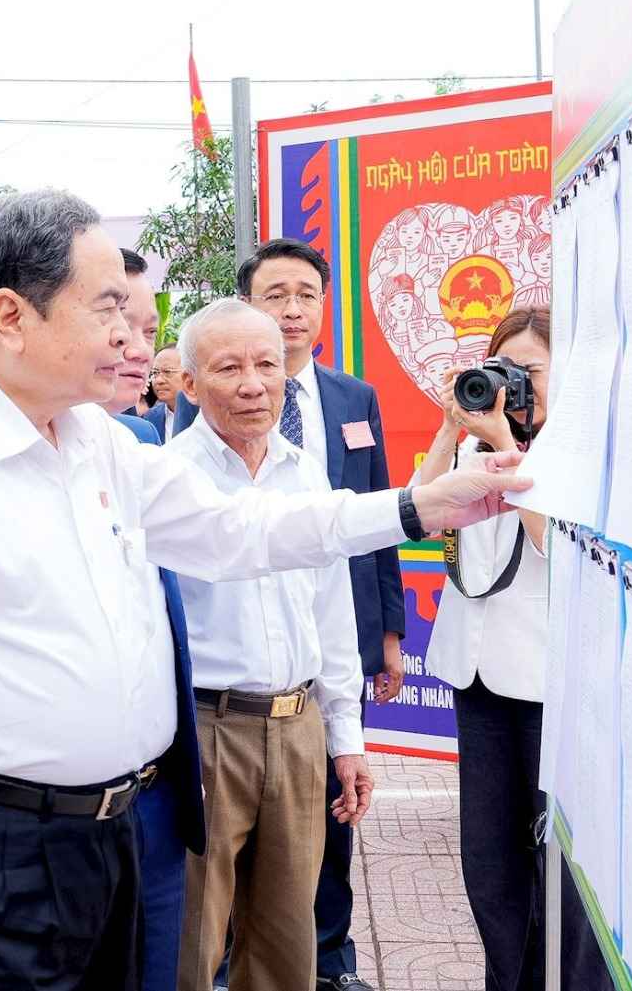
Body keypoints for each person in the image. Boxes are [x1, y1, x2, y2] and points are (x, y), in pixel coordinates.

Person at [0, 189, 530, 991]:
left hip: (113, 843)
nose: (127, 333)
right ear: (12, 315)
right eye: (106, 306)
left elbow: (246, 530)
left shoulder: (100, 443)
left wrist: (421, 505)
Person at [165, 299, 372, 991]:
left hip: (298, 725)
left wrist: (347, 736)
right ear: (190, 384)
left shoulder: (304, 472)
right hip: (205, 728)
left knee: (288, 946)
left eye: (268, 364)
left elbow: (331, 608)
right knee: (192, 939)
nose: (254, 383)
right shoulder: (169, 478)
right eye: (230, 367)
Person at [415, 307, 604, 991]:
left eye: (527, 372)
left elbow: (556, 544)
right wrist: (451, 428)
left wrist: (511, 446)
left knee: (558, 859)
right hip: (477, 678)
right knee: (488, 857)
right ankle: (507, 978)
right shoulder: (473, 447)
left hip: (547, 684)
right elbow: (415, 509)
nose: (511, 387)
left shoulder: (582, 447)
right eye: (499, 370)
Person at [233, 238, 404, 991]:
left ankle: (332, 956)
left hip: (341, 629)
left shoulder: (352, 398)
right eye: (276, 294)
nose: (293, 309)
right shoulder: (209, 402)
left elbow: (377, 516)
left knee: (338, 800)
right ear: (250, 306)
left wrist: (389, 629)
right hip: (254, 644)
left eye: (306, 294)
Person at [104, 250, 204, 991]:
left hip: (155, 802)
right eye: (119, 322)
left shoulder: (135, 445)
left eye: (149, 326)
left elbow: (246, 530)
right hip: (26, 829)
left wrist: (411, 507)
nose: (142, 348)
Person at [146, 345, 185, 440]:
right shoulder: (150, 418)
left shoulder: (209, 416)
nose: (159, 380)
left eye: (167, 372)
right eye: (155, 373)